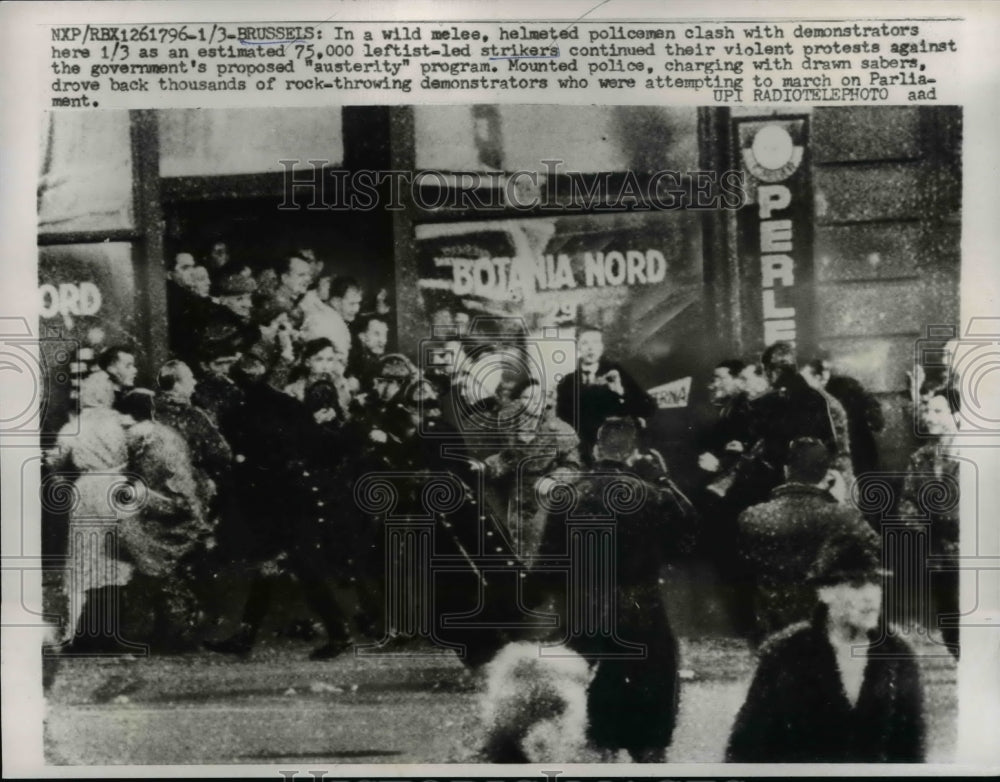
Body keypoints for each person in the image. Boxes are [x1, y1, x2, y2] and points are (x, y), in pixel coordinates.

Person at [535, 417, 683, 762]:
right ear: (633, 454)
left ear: (595, 449)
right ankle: (648, 750)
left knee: (589, 684)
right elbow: (687, 532)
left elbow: (547, 564)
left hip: (583, 604)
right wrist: (662, 478)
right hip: (639, 602)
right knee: (655, 673)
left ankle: (599, 750)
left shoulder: (568, 495)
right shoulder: (650, 496)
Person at [726, 531, 925, 763]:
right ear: (825, 592)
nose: (871, 596)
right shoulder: (785, 653)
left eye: (876, 582)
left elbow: (911, 752)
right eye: (856, 584)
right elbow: (747, 748)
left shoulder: (898, 654)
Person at [737, 437, 876, 645]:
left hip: (772, 635)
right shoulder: (841, 518)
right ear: (828, 476)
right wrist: (843, 503)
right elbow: (879, 552)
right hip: (828, 633)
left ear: (785, 471)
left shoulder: (752, 518)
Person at [897, 386, 961, 659]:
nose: (929, 417)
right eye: (927, 410)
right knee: (949, 620)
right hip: (937, 555)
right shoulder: (920, 458)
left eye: (938, 411)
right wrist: (922, 527)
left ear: (958, 414)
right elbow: (907, 502)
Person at [555, 326, 657, 458]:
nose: (590, 348)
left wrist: (620, 392)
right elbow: (562, 420)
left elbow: (648, 408)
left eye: (596, 342)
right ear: (577, 347)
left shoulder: (617, 373)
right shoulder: (567, 382)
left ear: (602, 347)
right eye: (585, 343)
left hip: (615, 450)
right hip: (581, 452)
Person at [807, 357, 885, 476]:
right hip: (837, 456)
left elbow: (874, 413)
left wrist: (873, 418)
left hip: (857, 451)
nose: (821, 376)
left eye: (824, 370)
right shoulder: (809, 394)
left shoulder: (847, 386)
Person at [347, 313, 389, 391]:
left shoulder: (386, 360)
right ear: (362, 336)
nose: (383, 341)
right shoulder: (351, 363)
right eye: (377, 334)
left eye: (385, 334)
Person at [95, 345, 138, 412]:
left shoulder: (130, 397)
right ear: (111, 369)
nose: (135, 370)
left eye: (134, 366)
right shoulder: (103, 400)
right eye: (128, 366)